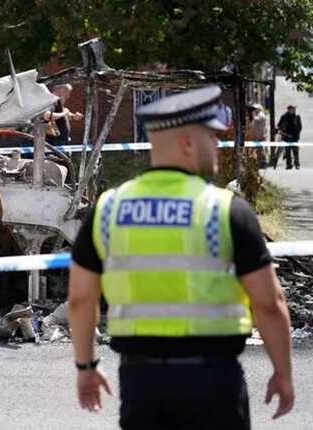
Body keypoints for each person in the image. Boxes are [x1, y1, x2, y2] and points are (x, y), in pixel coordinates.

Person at [69, 86, 294, 430]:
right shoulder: (224, 209)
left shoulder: (108, 208)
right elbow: (268, 303)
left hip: (140, 384)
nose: (217, 145)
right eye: (211, 136)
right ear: (188, 143)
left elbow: (81, 299)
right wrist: (282, 372)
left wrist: (85, 367)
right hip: (213, 383)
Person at [277, 105, 302, 169]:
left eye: (294, 109)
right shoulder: (284, 116)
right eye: (292, 109)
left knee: (295, 151)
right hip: (286, 136)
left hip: (294, 137)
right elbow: (279, 125)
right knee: (287, 151)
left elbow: (300, 126)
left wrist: (297, 133)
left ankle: (297, 164)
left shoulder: (297, 117)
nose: (293, 110)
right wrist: (281, 131)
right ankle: (288, 164)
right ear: (288, 109)